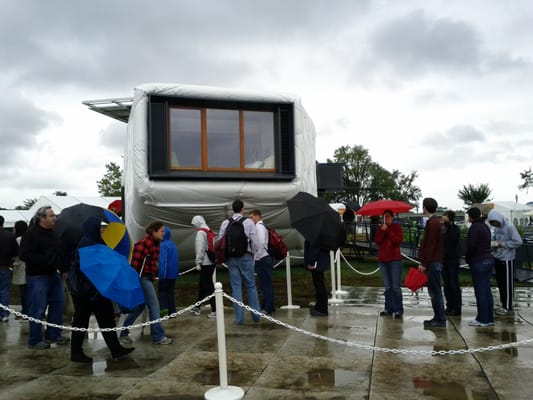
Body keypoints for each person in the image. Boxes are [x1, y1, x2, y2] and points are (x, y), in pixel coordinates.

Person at [69, 217, 135, 362]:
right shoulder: (88, 244)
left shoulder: (95, 241)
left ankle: (115, 349)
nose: (102, 229)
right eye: (99, 227)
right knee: (82, 321)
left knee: (105, 319)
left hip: (95, 290)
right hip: (88, 291)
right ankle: (76, 352)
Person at [19, 206, 70, 349]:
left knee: (58, 304)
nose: (55, 218)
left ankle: (53, 334)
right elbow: (24, 255)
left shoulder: (54, 233)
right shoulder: (31, 234)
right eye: (51, 216)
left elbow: (59, 252)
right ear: (42, 218)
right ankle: (34, 340)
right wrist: (45, 259)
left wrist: (63, 268)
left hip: (54, 274)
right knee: (38, 307)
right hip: (37, 275)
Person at [120, 221, 173, 345]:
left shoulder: (155, 243)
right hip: (142, 278)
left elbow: (152, 264)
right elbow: (135, 266)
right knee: (154, 306)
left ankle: (123, 332)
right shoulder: (144, 244)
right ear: (153, 231)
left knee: (139, 307)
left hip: (148, 278)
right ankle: (158, 336)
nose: (163, 234)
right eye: (161, 231)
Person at [218, 199, 260, 324]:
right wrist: (252, 253)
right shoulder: (248, 222)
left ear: (233, 209)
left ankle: (239, 318)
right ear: (243, 209)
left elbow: (220, 241)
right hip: (245, 256)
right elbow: (255, 242)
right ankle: (256, 316)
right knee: (251, 286)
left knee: (236, 287)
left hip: (231, 258)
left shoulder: (226, 223)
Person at [487, 209, 523, 316]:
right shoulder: (497, 228)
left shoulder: (510, 227)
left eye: (495, 222)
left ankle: (508, 307)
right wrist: (492, 242)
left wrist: (503, 244)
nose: (494, 224)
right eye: (492, 223)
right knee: (501, 284)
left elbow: (518, 241)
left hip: (507, 259)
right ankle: (504, 304)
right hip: (498, 258)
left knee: (507, 284)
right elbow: (496, 238)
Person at [418, 198, 446, 328]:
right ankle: (438, 317)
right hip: (435, 261)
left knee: (435, 292)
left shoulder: (433, 223)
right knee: (435, 291)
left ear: (425, 207)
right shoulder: (435, 222)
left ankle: (440, 319)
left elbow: (430, 245)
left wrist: (424, 263)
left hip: (433, 262)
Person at [465, 207, 494, 327]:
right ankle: (489, 317)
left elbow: (471, 245)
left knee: (480, 290)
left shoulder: (475, 228)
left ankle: (482, 319)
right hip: (488, 259)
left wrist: (468, 258)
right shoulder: (485, 226)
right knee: (486, 290)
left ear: (471, 216)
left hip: (479, 260)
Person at [374, 209, 404, 318]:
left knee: (395, 286)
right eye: (384, 216)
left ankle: (398, 309)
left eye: (388, 216)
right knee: (387, 287)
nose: (386, 218)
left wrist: (388, 231)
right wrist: (382, 230)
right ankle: (388, 308)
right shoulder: (380, 228)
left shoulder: (397, 227)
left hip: (395, 260)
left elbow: (398, 241)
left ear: (392, 217)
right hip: (383, 260)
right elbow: (377, 241)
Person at [249, 209, 275, 316]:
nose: (250, 220)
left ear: (257, 216)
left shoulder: (259, 227)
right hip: (265, 258)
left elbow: (259, 244)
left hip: (262, 258)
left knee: (265, 285)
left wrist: (256, 258)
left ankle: (267, 308)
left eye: (251, 217)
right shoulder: (262, 226)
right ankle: (269, 306)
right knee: (266, 284)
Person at [191, 215, 216, 318]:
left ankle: (215, 309)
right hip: (212, 260)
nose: (194, 226)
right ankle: (197, 306)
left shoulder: (201, 233)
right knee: (203, 285)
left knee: (208, 286)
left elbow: (199, 248)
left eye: (194, 224)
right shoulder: (209, 231)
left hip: (205, 262)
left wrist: (198, 262)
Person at [441, 210, 462, 316]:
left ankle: (456, 307)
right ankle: (449, 305)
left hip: (452, 259)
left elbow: (454, 239)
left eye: (446, 216)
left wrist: (449, 225)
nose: (443, 218)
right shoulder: (442, 229)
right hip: (443, 259)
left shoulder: (455, 229)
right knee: (446, 284)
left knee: (454, 283)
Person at [304, 240, 330, 317]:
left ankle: (322, 309)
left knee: (319, 285)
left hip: (317, 262)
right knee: (318, 284)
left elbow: (315, 248)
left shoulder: (315, 235)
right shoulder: (319, 233)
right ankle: (319, 306)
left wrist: (312, 262)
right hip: (319, 261)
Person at [157, 226, 179, 316]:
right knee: (170, 293)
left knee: (162, 293)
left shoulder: (163, 245)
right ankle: (172, 311)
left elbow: (163, 262)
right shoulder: (172, 244)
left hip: (166, 274)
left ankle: (163, 312)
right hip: (173, 274)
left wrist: (161, 275)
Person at [0, 215, 18, 322]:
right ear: (3, 223)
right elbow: (16, 252)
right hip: (4, 267)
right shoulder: (9, 236)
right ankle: (4, 314)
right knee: (4, 291)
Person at [11, 220, 29, 321]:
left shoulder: (18, 240)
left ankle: (25, 312)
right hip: (28, 267)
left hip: (21, 268)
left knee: (24, 292)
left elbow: (16, 255)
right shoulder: (28, 238)